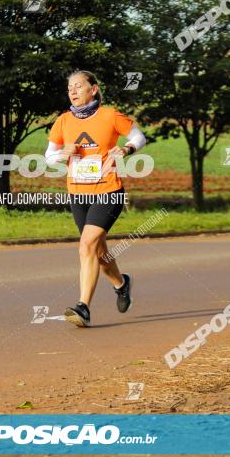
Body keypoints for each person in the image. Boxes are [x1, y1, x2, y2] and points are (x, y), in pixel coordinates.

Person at [44, 70, 147, 327]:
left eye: (79, 86)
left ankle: (83, 307)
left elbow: (138, 136)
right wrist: (61, 154)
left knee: (86, 245)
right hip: (78, 194)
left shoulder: (110, 115)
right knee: (99, 252)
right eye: (69, 87)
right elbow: (49, 156)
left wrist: (127, 148)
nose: (73, 91)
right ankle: (121, 284)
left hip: (108, 191)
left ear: (94, 89)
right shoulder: (63, 121)